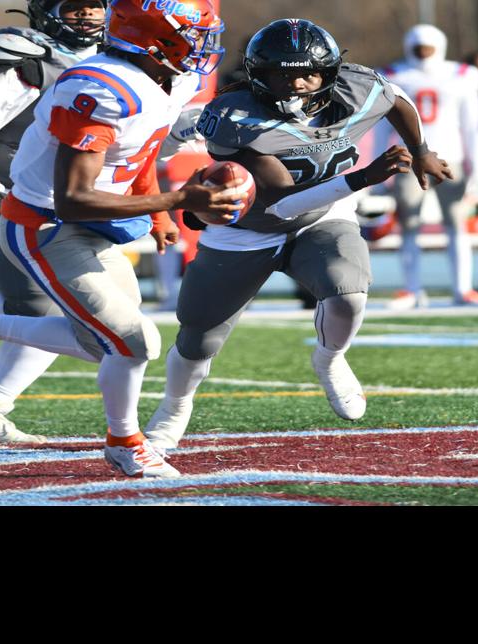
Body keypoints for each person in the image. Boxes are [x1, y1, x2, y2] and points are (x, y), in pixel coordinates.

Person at [0, 0, 243, 478]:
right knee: (120, 338)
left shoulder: (154, 74)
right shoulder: (98, 84)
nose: (86, 15)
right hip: (41, 216)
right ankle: (122, 441)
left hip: (88, 217)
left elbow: (137, 151)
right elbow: (54, 185)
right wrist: (176, 200)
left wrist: (158, 202)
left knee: (106, 336)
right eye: (190, 36)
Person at [139, 18, 452, 453]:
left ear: (329, 72)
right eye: (282, 74)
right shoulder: (237, 118)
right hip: (246, 230)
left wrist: (421, 150)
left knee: (348, 292)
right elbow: (282, 202)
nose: (297, 84)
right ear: (258, 75)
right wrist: (364, 177)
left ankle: (330, 359)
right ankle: (175, 407)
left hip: (322, 217)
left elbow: (397, 100)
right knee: (198, 337)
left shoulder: (355, 88)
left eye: (308, 72)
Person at [0, 0, 105, 443]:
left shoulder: (117, 58)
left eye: (94, 6)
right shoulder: (21, 58)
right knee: (44, 308)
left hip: (72, 199)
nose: (86, 16)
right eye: (74, 7)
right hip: (8, 192)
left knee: (96, 317)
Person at [380, 23, 478, 309]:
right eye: (418, 48)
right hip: (408, 158)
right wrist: (381, 166)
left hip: (449, 158)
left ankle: (463, 288)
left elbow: (473, 127)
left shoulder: (462, 75)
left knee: (456, 224)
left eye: (428, 48)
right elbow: (381, 126)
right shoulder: (392, 75)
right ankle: (412, 289)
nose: (423, 54)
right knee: (409, 225)